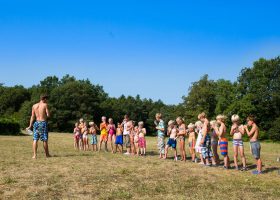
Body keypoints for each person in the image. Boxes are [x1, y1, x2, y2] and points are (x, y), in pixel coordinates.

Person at [26, 94, 51, 159]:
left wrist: (30, 126)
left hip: (36, 123)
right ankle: (47, 154)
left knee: (35, 139)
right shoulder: (45, 105)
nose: (47, 101)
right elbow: (48, 115)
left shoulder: (34, 106)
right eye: (46, 99)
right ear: (44, 99)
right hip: (43, 123)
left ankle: (34, 155)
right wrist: (47, 114)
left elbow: (32, 116)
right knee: (45, 140)